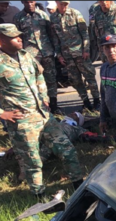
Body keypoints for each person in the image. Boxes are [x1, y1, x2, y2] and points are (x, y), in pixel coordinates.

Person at [0, 23, 84, 197]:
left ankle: (79, 187)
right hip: (22, 122)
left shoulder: (26, 56)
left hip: (43, 116)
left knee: (66, 149)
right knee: (33, 162)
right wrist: (2, 114)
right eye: (14, 37)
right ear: (1, 41)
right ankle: (41, 198)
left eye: (19, 35)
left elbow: (39, 75)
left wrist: (44, 95)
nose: (19, 38)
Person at [50, 1, 100, 111]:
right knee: (75, 81)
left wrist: (86, 50)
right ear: (56, 2)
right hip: (67, 56)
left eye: (66, 4)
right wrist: (59, 55)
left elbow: (85, 34)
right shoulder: (53, 18)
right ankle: (86, 102)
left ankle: (97, 101)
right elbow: (55, 39)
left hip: (81, 54)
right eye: (62, 3)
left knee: (90, 77)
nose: (64, 6)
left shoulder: (75, 13)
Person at [14, 1, 60, 114]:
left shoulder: (42, 15)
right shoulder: (18, 18)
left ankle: (54, 106)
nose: (29, 4)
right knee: (34, 80)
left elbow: (51, 33)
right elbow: (17, 37)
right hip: (31, 54)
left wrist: (56, 50)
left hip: (47, 51)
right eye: (26, 2)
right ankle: (40, 106)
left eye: (31, 1)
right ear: (22, 2)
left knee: (51, 79)